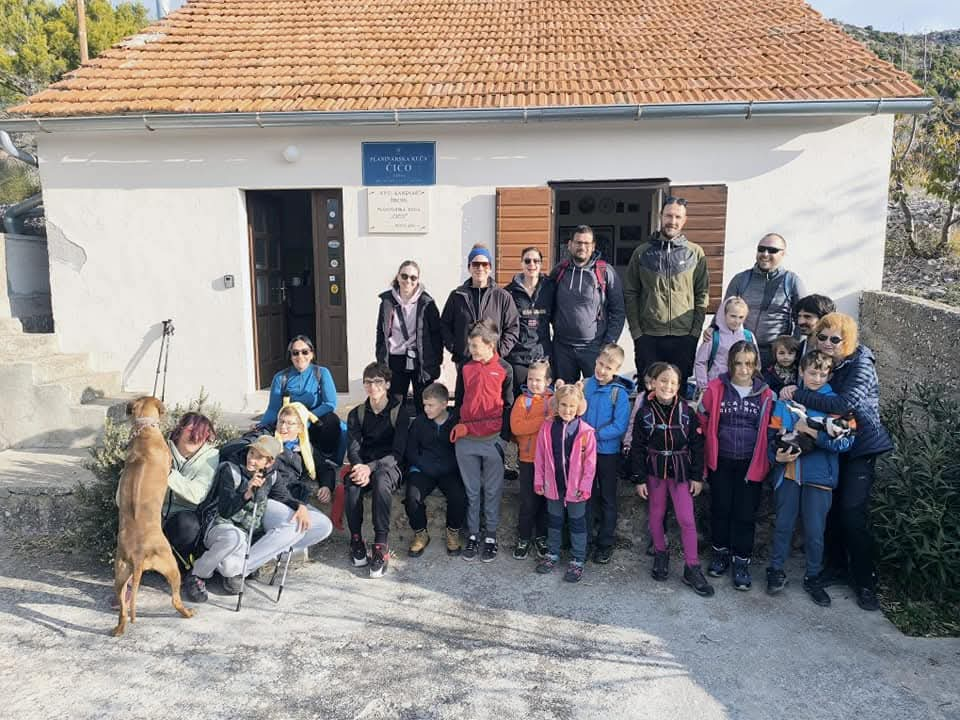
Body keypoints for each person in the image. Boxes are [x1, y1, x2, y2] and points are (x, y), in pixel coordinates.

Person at [780, 313, 893, 611]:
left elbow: (844, 403)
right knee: (829, 510)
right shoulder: (827, 362)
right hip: (833, 444)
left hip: (860, 446)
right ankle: (837, 567)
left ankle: (865, 581)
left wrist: (799, 394)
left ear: (848, 340)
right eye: (822, 337)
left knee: (852, 513)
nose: (827, 343)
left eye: (835, 339)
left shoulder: (861, 364)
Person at [189, 435, 332, 596]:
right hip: (220, 524)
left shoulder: (272, 475)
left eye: (259, 457)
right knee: (233, 538)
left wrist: (301, 506)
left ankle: (236, 568)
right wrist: (247, 493)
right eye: (251, 453)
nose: (252, 460)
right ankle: (197, 574)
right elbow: (225, 511)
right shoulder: (231, 469)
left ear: (269, 462)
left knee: (230, 568)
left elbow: (283, 497)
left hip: (245, 532)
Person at [766, 350, 854, 606]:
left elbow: (846, 442)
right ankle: (775, 570)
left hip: (820, 476)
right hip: (789, 472)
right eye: (812, 373)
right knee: (783, 525)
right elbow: (772, 434)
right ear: (801, 372)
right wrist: (775, 456)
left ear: (829, 376)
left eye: (822, 374)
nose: (817, 378)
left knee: (815, 531)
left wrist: (815, 434)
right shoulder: (785, 400)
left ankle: (813, 576)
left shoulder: (837, 404)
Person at [630, 362, 713, 597]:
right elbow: (637, 447)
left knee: (686, 518)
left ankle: (692, 566)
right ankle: (660, 553)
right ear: (652, 383)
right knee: (656, 515)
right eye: (663, 381)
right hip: (655, 472)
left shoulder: (687, 412)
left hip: (681, 472)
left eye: (673, 382)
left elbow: (697, 445)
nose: (668, 386)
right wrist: (639, 478)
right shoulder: (644, 413)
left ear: (678, 386)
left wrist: (697, 476)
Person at [698, 340, 775, 591]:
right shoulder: (716, 388)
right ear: (730, 363)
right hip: (721, 460)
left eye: (749, 364)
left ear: (755, 366)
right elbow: (702, 419)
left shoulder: (765, 394)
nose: (743, 369)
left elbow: (771, 428)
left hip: (750, 463)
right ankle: (720, 553)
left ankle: (741, 561)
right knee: (721, 508)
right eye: (738, 363)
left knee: (745, 514)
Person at [624, 197, 709, 390]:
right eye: (669, 215)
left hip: (683, 336)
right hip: (649, 336)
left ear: (684, 220)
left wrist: (695, 332)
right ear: (660, 216)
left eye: (678, 217)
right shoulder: (642, 253)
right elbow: (630, 293)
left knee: (678, 392)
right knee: (648, 391)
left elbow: (702, 294)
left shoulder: (695, 253)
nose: (673, 221)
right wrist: (637, 332)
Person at [451, 320, 513, 562]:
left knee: (492, 491)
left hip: (492, 440)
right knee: (472, 491)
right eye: (470, 345)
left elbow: (508, 405)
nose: (471, 350)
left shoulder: (505, 369)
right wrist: (457, 426)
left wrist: (503, 439)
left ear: (490, 345)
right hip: (466, 440)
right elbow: (459, 400)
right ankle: (473, 534)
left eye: (475, 346)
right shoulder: (465, 367)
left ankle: (490, 536)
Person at [345, 362, 410, 578]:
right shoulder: (356, 413)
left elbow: (398, 453)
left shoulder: (399, 412)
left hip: (390, 464)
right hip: (364, 464)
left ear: (387, 384)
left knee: (381, 482)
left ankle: (381, 544)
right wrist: (359, 467)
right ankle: (356, 539)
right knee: (352, 484)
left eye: (378, 382)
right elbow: (353, 449)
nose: (373, 387)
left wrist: (370, 468)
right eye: (368, 382)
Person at [533, 383, 597, 583]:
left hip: (576, 489)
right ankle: (552, 553)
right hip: (553, 485)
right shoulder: (547, 428)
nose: (567, 410)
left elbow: (590, 464)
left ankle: (578, 559)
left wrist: (585, 487)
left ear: (579, 407)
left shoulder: (586, 432)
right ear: (556, 405)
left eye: (571, 406)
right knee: (554, 520)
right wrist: (539, 480)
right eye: (563, 405)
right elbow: (540, 456)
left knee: (577, 523)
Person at [550, 225, 625, 383]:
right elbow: (548, 304)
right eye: (578, 242)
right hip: (562, 348)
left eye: (586, 243)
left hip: (594, 348)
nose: (582, 247)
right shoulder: (559, 271)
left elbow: (618, 311)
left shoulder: (605, 272)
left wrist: (608, 344)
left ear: (593, 246)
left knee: (595, 391)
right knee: (565, 393)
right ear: (570, 244)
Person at [580, 343, 633, 564]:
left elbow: (620, 426)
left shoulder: (618, 394)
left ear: (617, 370)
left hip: (607, 454)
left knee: (608, 498)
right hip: (584, 452)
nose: (602, 370)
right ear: (595, 361)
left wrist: (593, 435)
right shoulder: (585, 386)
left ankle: (605, 543)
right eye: (600, 364)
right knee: (585, 496)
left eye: (608, 368)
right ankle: (583, 541)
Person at [159, 412, 220, 602]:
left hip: (180, 520)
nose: (196, 436)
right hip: (153, 514)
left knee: (188, 524)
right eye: (191, 429)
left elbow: (197, 495)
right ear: (180, 429)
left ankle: (182, 569)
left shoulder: (211, 456)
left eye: (203, 433)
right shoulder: (161, 448)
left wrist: (169, 474)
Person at [721, 233, 807, 368]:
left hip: (775, 357)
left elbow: (803, 321)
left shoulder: (792, 281)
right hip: (742, 352)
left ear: (783, 254)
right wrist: (712, 330)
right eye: (761, 249)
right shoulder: (741, 279)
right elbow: (724, 312)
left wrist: (793, 349)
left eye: (772, 250)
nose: (765, 254)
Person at [259, 335, 346, 464]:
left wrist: (305, 417)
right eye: (295, 353)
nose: (300, 356)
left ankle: (325, 459)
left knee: (331, 421)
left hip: (315, 419)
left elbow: (330, 404)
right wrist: (261, 426)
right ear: (291, 356)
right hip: (290, 422)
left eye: (305, 352)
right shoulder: (280, 378)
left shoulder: (322, 373)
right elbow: (273, 409)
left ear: (311, 354)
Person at [403, 382, 465, 557]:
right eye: (424, 405)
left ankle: (452, 532)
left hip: (449, 470)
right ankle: (421, 534)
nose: (426, 409)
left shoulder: (455, 421)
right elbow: (411, 450)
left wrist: (449, 466)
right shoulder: (419, 422)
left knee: (459, 496)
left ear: (444, 404)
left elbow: (461, 449)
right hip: (423, 469)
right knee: (412, 497)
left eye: (431, 405)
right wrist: (425, 466)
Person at [375, 260, 444, 412]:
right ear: (398, 277)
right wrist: (381, 360)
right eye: (404, 276)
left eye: (413, 278)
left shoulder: (427, 303)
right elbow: (381, 332)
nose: (408, 281)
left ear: (418, 280)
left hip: (421, 360)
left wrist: (436, 362)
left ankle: (422, 428)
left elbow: (436, 335)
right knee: (395, 405)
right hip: (395, 359)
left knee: (424, 405)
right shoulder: (387, 302)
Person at [440, 243, 520, 367]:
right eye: (476, 264)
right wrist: (456, 348)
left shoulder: (502, 296)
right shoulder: (457, 296)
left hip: (492, 362)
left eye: (485, 264)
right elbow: (445, 325)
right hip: (464, 361)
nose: (480, 268)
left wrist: (499, 352)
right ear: (469, 268)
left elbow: (512, 327)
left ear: (490, 268)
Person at [509, 360, 553, 560]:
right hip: (527, 459)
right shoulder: (522, 401)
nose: (534, 383)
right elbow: (517, 428)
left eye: (538, 380)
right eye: (530, 379)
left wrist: (534, 423)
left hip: (548, 460)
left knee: (545, 501)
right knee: (528, 501)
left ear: (548, 381)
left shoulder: (553, 401)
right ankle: (524, 537)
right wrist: (543, 420)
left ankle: (542, 537)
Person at [505, 247, 554, 393]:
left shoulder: (550, 288)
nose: (531, 264)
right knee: (518, 401)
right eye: (527, 261)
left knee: (542, 401)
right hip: (518, 357)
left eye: (536, 261)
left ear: (541, 264)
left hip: (542, 357)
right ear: (521, 263)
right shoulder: (509, 292)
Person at [272, 402, 335, 507]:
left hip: (296, 497)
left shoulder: (306, 448)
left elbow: (324, 468)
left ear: (300, 428)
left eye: (290, 423)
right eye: (281, 421)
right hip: (277, 497)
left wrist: (326, 487)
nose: (283, 427)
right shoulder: (269, 442)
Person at [692, 296, 757, 395]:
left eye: (741, 317)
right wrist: (703, 386)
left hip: (741, 387)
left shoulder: (748, 336)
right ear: (724, 314)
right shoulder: (714, 336)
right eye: (733, 316)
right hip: (716, 387)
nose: (737, 321)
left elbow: (756, 363)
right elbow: (701, 361)